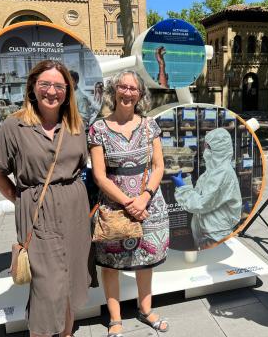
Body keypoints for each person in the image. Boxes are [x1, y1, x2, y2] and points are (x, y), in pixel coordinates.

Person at [0, 60, 93, 337]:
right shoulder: (15, 126)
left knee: (71, 278)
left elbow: (82, 165)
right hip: (37, 211)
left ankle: (67, 333)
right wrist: (20, 200)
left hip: (74, 212)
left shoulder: (76, 125)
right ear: (32, 87)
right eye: (45, 84)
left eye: (59, 86)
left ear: (68, 91)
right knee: (46, 286)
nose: (52, 91)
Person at [88, 70, 169, 336]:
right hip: (114, 207)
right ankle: (115, 319)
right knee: (111, 264)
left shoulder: (149, 125)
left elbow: (158, 166)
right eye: (123, 87)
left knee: (144, 260)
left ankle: (146, 310)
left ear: (141, 95)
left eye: (134, 89)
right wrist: (126, 202)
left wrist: (143, 198)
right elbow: (99, 175)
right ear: (114, 92)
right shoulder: (98, 129)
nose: (128, 92)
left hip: (148, 205)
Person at [171, 128, 242, 250]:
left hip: (215, 235)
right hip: (206, 232)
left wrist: (182, 188)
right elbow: (200, 195)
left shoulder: (223, 174)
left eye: (207, 147)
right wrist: (186, 181)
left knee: (213, 267)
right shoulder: (213, 171)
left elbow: (201, 204)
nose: (204, 151)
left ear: (218, 149)